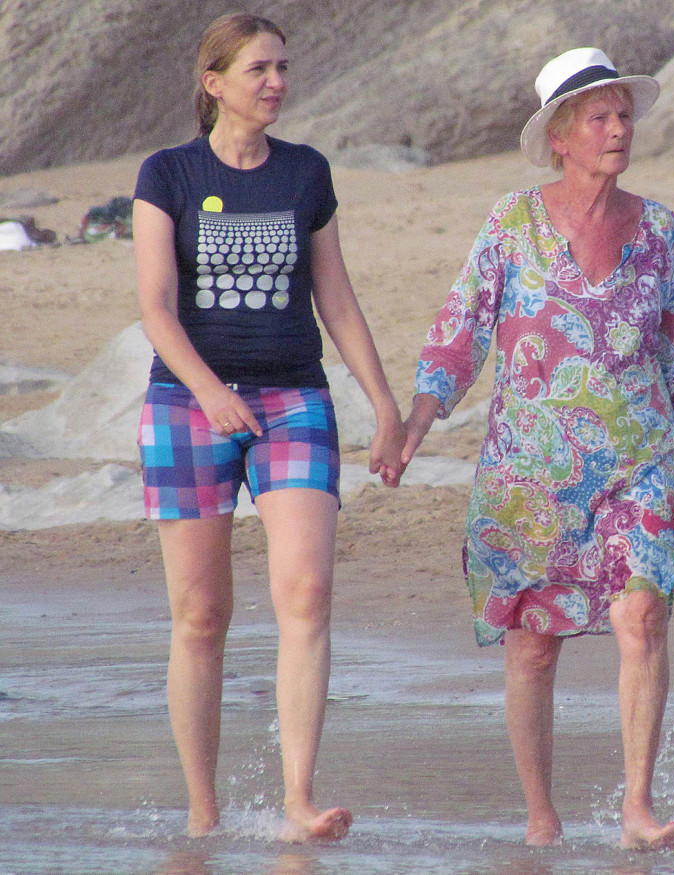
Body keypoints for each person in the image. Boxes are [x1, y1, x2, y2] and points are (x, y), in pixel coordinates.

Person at [402, 47, 674, 849]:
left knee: (643, 615)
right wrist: (415, 421)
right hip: (529, 475)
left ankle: (637, 809)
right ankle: (542, 818)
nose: (619, 129)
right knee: (533, 648)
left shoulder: (659, 229)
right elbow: (459, 333)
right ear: (561, 138)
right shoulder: (511, 223)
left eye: (625, 115)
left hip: (641, 461)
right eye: (601, 118)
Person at [133, 12, 405, 841]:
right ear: (214, 83)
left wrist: (384, 405)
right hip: (188, 403)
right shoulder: (166, 173)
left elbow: (338, 299)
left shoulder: (305, 173)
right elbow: (155, 307)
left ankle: (298, 799)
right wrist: (211, 391)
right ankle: (203, 810)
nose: (277, 82)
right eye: (259, 69)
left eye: (283, 67)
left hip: (294, 399)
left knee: (307, 592)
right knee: (202, 614)